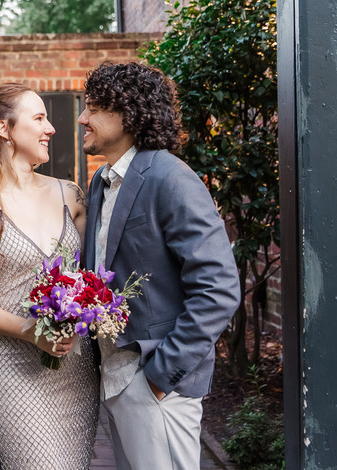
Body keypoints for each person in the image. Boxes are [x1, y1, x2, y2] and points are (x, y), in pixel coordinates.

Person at [79, 61, 241, 470]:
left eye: (93, 107)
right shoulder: (101, 182)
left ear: (127, 114)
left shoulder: (171, 178)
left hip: (154, 379)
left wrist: (158, 377)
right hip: (115, 374)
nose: (82, 118)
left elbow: (219, 288)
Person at [0, 83, 99, 470]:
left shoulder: (71, 195)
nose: (52, 128)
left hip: (76, 367)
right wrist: (30, 330)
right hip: (14, 369)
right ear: (3, 129)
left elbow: (93, 273)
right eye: (39, 118)